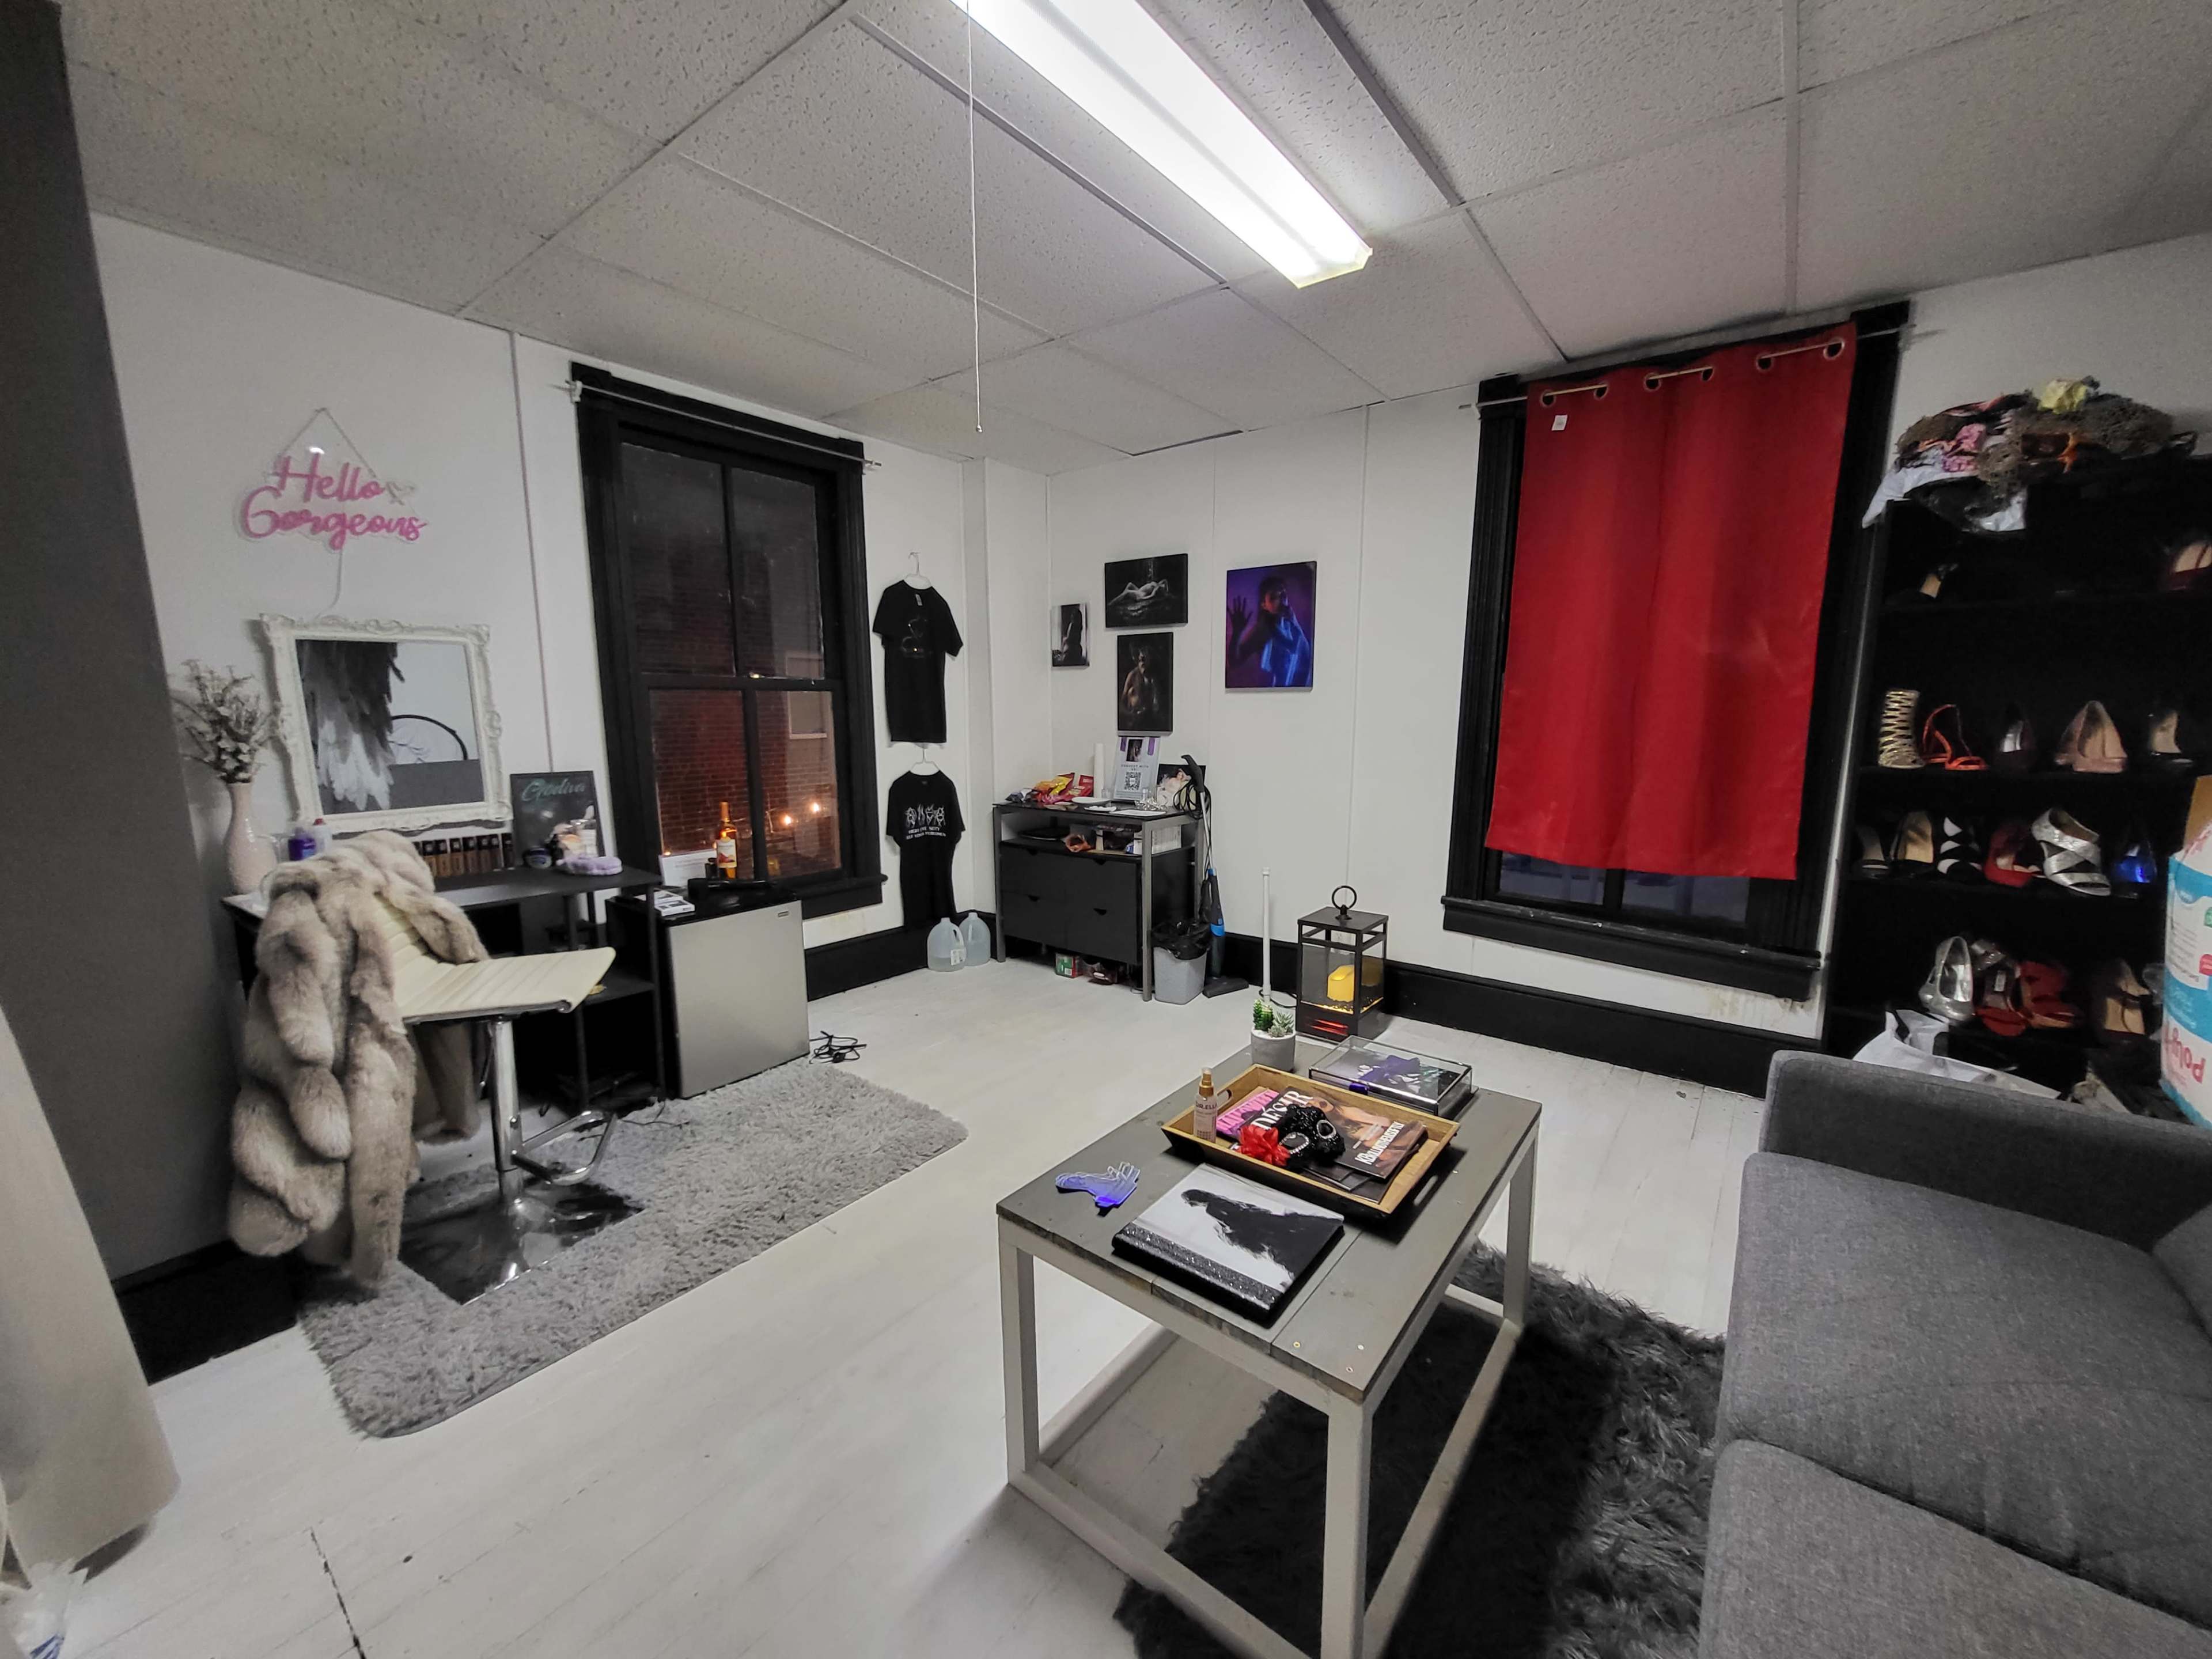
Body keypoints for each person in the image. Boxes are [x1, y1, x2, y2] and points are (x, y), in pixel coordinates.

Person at [1228, 573, 1312, 687]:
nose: (1281, 600)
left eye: (1283, 594)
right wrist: (1237, 633)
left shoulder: (1290, 624)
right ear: (1264, 605)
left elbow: (1303, 654)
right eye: (1273, 598)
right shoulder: (1263, 630)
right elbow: (1234, 662)